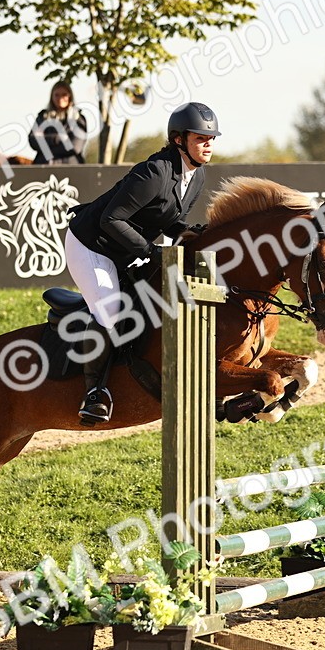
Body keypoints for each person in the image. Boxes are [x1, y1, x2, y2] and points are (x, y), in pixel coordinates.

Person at [65, 101, 219, 423]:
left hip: (124, 245)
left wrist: (185, 232)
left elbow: (164, 217)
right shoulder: (154, 171)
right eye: (200, 138)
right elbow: (111, 219)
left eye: (211, 138)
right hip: (92, 245)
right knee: (109, 307)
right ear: (179, 140)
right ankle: (94, 393)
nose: (208, 144)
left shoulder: (197, 176)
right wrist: (150, 252)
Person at [28, 81, 87, 164]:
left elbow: (75, 146)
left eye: (64, 95)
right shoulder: (43, 117)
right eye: (57, 95)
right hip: (44, 166)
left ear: (70, 96)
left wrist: (46, 146)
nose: (60, 98)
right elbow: (33, 140)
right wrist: (57, 139)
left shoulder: (78, 119)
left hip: (71, 168)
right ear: (51, 97)